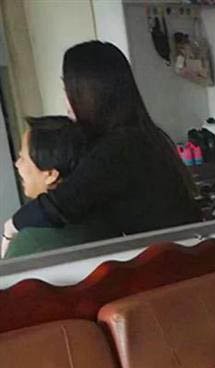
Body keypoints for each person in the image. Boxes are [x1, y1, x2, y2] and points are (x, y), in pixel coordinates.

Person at [2, 41, 202, 245]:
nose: (66, 101)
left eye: (68, 89)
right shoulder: (144, 135)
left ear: (90, 93)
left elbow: (57, 206)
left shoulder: (119, 149)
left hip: (173, 257)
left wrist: (10, 228)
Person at [2, 116, 117, 258]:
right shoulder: (107, 219)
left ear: (51, 175)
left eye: (23, 158)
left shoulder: (30, 242)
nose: (17, 164)